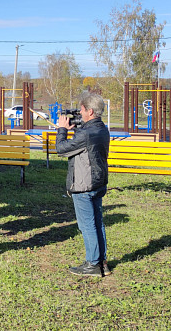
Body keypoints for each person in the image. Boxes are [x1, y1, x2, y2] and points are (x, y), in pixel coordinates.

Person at [55, 92, 111, 277]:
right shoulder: (101, 128)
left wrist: (62, 130)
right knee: (97, 222)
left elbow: (61, 149)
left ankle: (93, 264)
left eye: (81, 110)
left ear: (90, 111)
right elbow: (82, 145)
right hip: (97, 183)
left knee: (87, 225)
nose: (79, 113)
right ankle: (101, 262)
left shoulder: (86, 133)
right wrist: (75, 129)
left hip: (83, 185)